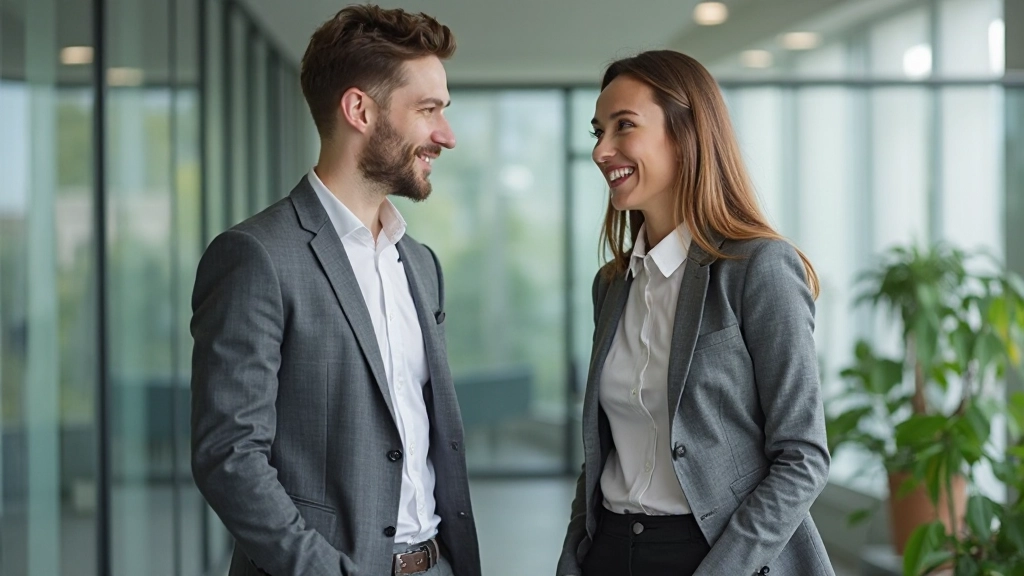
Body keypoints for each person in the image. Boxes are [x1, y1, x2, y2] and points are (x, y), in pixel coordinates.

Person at [190, 6, 480, 576]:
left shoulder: (419, 264)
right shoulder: (256, 256)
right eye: (428, 110)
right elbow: (229, 458)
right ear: (359, 110)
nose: (445, 135)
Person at [556, 50, 835, 576]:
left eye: (624, 126)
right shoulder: (612, 286)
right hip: (611, 551)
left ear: (686, 134)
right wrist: (575, 552)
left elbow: (803, 457)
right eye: (598, 131)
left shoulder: (758, 267)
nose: (601, 150)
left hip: (719, 555)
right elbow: (604, 448)